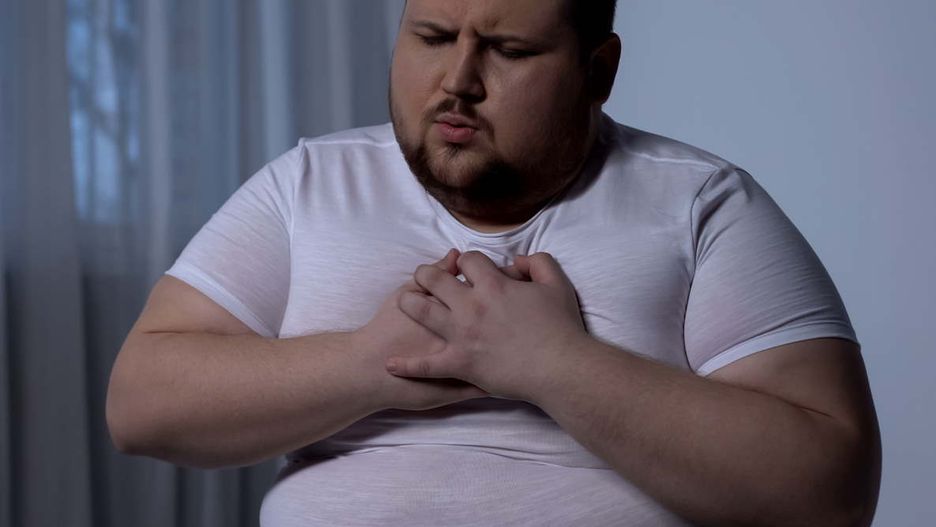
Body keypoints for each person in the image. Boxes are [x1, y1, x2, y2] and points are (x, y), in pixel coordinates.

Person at [106, 0, 881, 525]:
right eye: (433, 37)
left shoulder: (702, 203)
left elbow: (830, 487)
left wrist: (551, 364)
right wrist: (373, 363)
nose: (458, 81)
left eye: (508, 50)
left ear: (598, 71)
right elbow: (139, 405)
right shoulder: (308, 183)